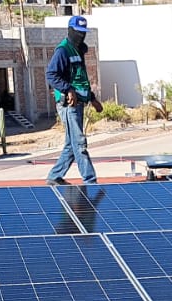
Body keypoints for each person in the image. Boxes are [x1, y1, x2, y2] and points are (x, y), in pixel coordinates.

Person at [46, 15, 103, 186]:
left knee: (71, 144)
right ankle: (90, 180)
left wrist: (92, 99)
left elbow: (80, 79)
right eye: (78, 32)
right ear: (70, 31)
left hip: (79, 103)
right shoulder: (63, 50)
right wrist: (68, 89)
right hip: (68, 105)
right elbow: (51, 75)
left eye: (83, 33)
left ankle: (54, 176)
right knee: (79, 142)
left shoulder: (79, 50)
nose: (81, 36)